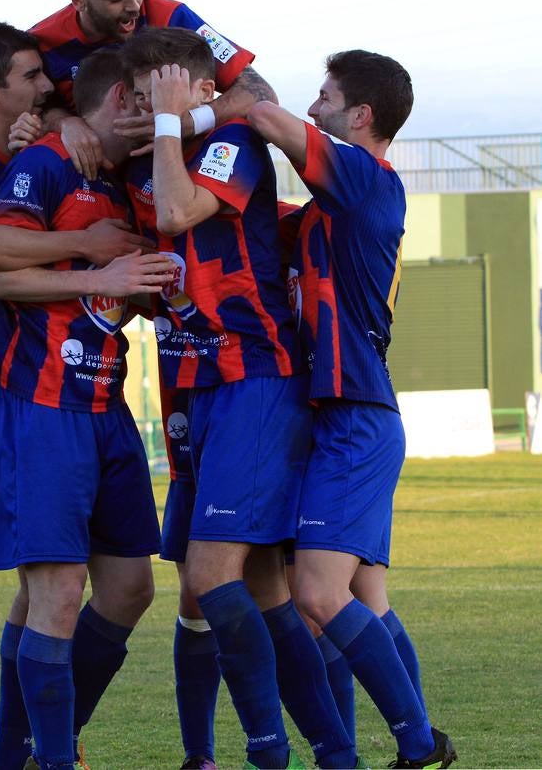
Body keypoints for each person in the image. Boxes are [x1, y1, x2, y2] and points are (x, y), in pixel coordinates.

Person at [0, 22, 159, 770]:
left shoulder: (40, 158)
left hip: (25, 392)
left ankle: (18, 752)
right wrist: (90, 251)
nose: (47, 87)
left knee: (44, 581)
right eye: (31, 76)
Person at [122, 27, 360, 770]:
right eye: (138, 96)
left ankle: (268, 750)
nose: (146, 107)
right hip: (193, 391)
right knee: (250, 586)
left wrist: (171, 123)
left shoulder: (231, 143)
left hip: (255, 376)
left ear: (197, 93)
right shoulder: (142, 160)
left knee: (210, 577)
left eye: (158, 91)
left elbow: (178, 212)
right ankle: (330, 750)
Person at [248, 50, 458, 770]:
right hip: (338, 416)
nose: (314, 107)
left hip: (355, 416)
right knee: (361, 599)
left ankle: (418, 742)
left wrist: (209, 95)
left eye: (326, 95)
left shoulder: (367, 180)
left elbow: (272, 119)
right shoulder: (323, 214)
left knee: (315, 592)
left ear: (360, 116)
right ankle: (372, 749)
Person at [0, 47, 171, 770]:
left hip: (106, 408)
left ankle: (26, 752)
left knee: (129, 588)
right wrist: (103, 270)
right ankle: (45, 760)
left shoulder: (126, 179)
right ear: (121, 97)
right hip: (43, 407)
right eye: (155, 97)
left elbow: (112, 292)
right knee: (56, 594)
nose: (166, 113)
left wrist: (146, 288)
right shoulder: (46, 165)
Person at [13, 0, 276, 174]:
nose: (134, 6)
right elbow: (27, 114)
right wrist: (65, 123)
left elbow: (260, 92)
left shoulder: (173, 17)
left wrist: (183, 124)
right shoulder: (42, 42)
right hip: (95, 187)